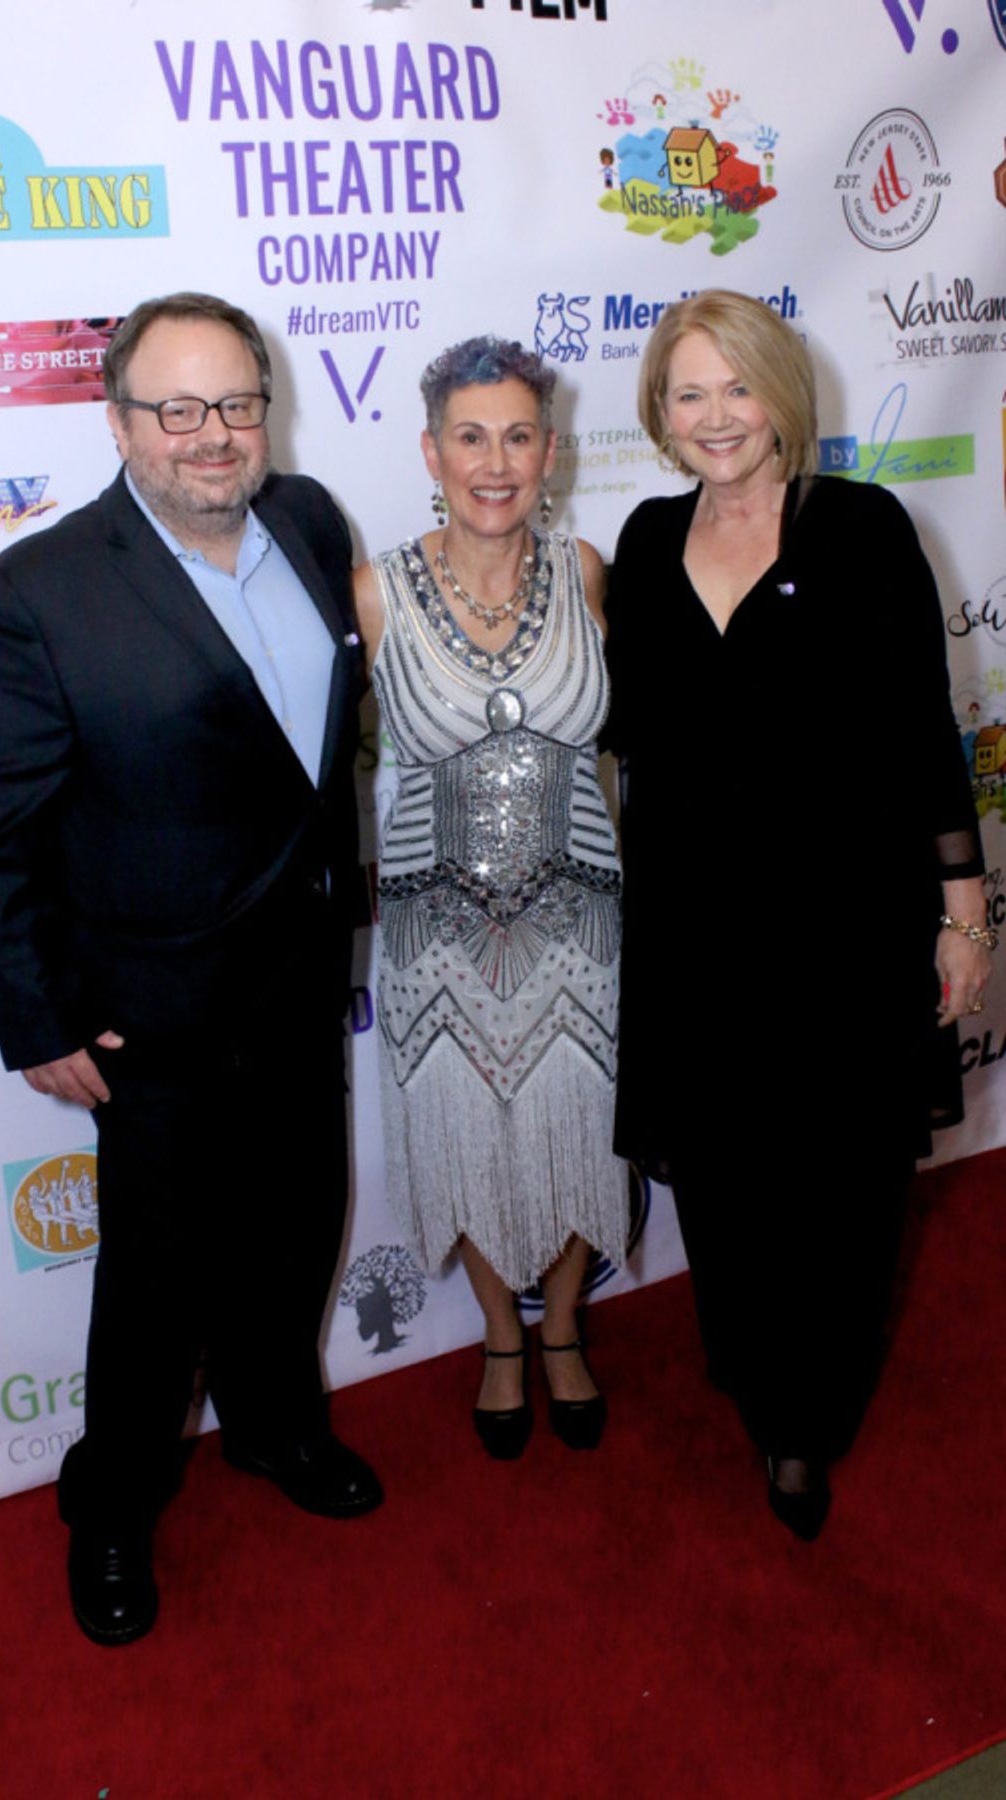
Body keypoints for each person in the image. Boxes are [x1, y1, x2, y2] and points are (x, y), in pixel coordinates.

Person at [0, 291, 381, 1647]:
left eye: (237, 404)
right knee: (154, 1287)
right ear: (119, 419)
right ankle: (117, 1509)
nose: (212, 435)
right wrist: (40, 1012)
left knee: (298, 1226)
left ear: (269, 408)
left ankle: (272, 1430)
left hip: (302, 979)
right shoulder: (39, 593)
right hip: (150, 1014)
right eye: (176, 408)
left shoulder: (309, 525)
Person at [606, 288, 992, 1538]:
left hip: (844, 927)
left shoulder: (864, 525)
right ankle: (754, 1371)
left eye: (738, 387)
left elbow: (925, 733)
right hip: (693, 933)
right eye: (688, 393)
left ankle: (805, 1422)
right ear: (659, 413)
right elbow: (625, 735)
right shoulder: (649, 538)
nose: (717, 416)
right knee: (721, 1177)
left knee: (839, 1186)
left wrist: (964, 911)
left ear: (782, 393)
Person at [354, 337, 631, 1458]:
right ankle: (498, 1342)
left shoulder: (590, 570)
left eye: (519, 434)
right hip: (433, 935)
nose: (496, 460)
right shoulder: (373, 588)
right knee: (466, 1141)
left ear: (551, 451)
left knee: (575, 1139)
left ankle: (560, 1327)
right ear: (432, 449)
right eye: (471, 435)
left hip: (581, 921)